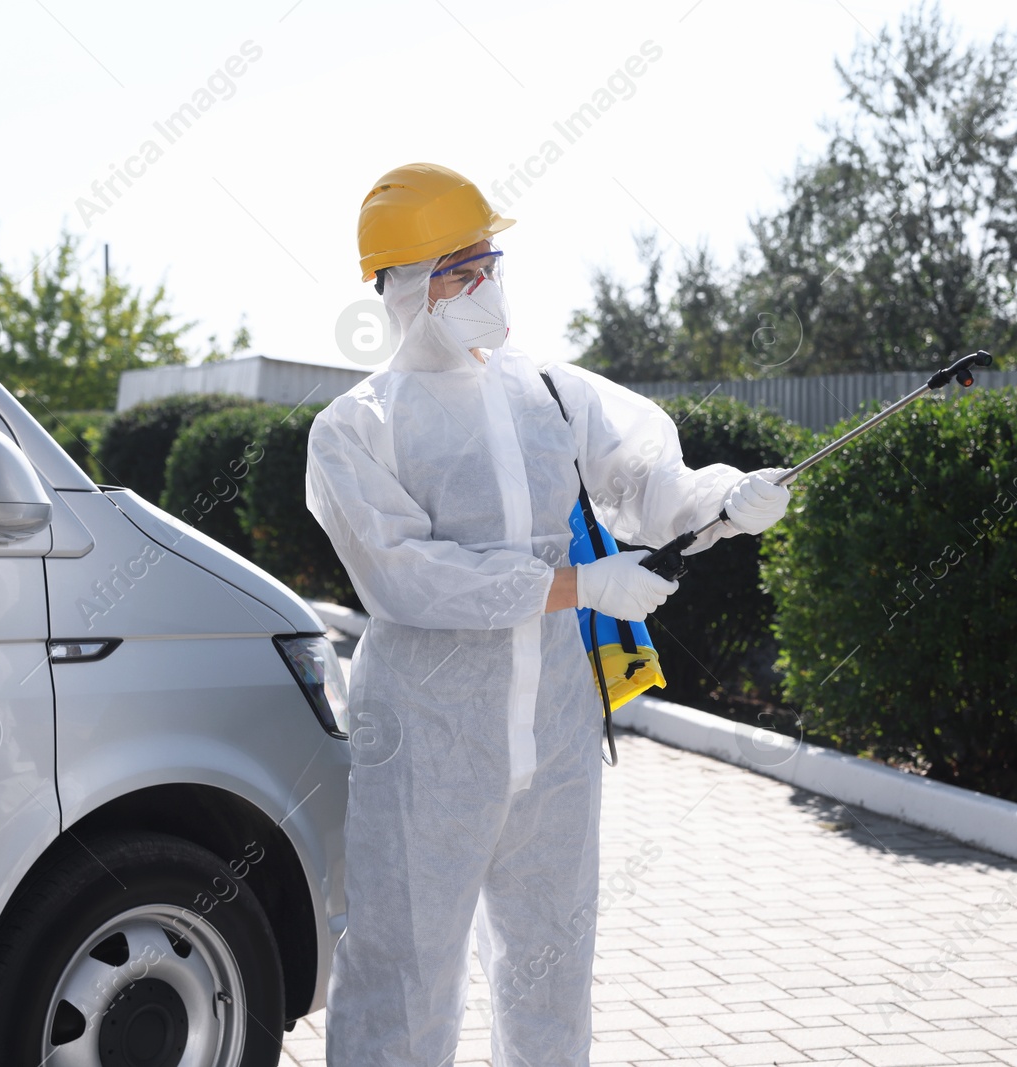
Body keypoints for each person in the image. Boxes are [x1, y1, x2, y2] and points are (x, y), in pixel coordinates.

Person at [305, 162, 791, 1066]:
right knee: (403, 973)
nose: (488, 283)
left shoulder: (554, 394)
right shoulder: (356, 427)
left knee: (551, 973)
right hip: (425, 747)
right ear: (405, 285)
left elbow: (651, 488)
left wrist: (727, 497)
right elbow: (407, 577)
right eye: (464, 268)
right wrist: (580, 586)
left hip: (557, 738)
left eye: (491, 260)